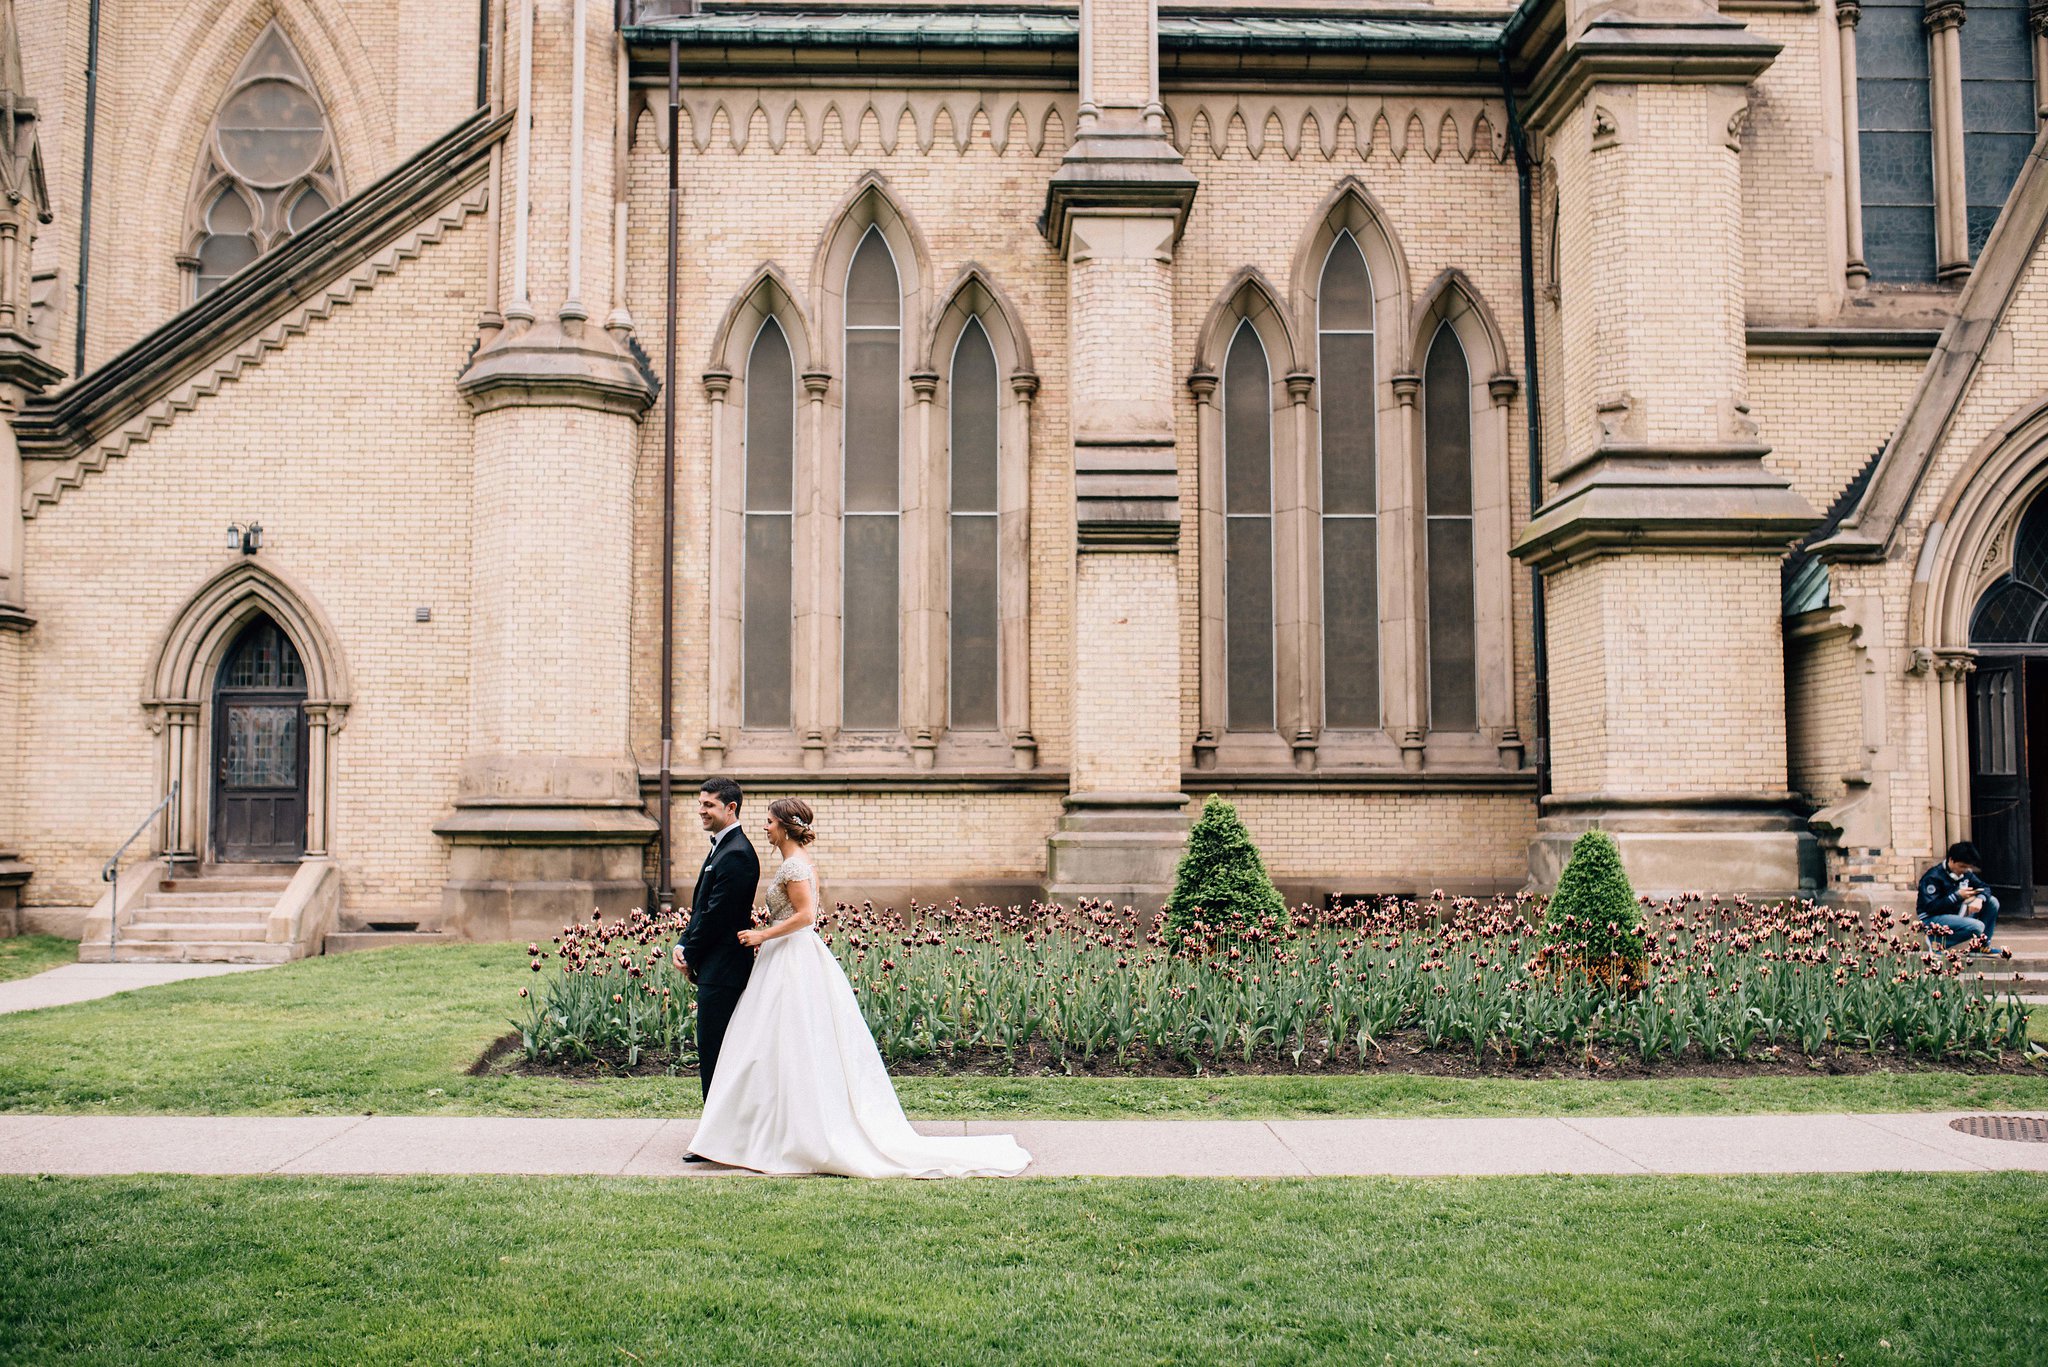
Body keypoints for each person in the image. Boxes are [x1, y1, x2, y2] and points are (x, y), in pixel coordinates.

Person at [685, 797, 1031, 1178]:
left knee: (786, 1040)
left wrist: (762, 934)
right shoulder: (790, 862)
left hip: (792, 956)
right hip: (780, 956)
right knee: (767, 1044)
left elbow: (806, 916)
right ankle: (768, 1127)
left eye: (769, 822)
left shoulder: (796, 864)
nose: (764, 828)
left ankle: (791, 1131)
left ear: (784, 826)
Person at [674, 776, 761, 1116]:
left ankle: (717, 1133)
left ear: (731, 807)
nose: (701, 811)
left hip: (724, 969)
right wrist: (683, 943)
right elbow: (701, 907)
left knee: (715, 1051)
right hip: (713, 965)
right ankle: (720, 1130)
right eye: (700, 804)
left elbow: (718, 916)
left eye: (708, 805)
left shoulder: (737, 853)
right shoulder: (721, 847)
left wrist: (691, 953)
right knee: (712, 1048)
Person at [1916, 840, 2004, 954]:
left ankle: (1982, 945)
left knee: (1992, 902)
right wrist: (1956, 896)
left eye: (1967, 867)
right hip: (1933, 918)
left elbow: (1985, 887)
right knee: (1977, 927)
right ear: (1951, 860)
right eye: (1961, 866)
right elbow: (1930, 907)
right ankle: (1937, 942)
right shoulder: (1933, 877)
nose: (1963, 870)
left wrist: (1979, 899)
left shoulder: (1966, 874)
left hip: (1958, 914)